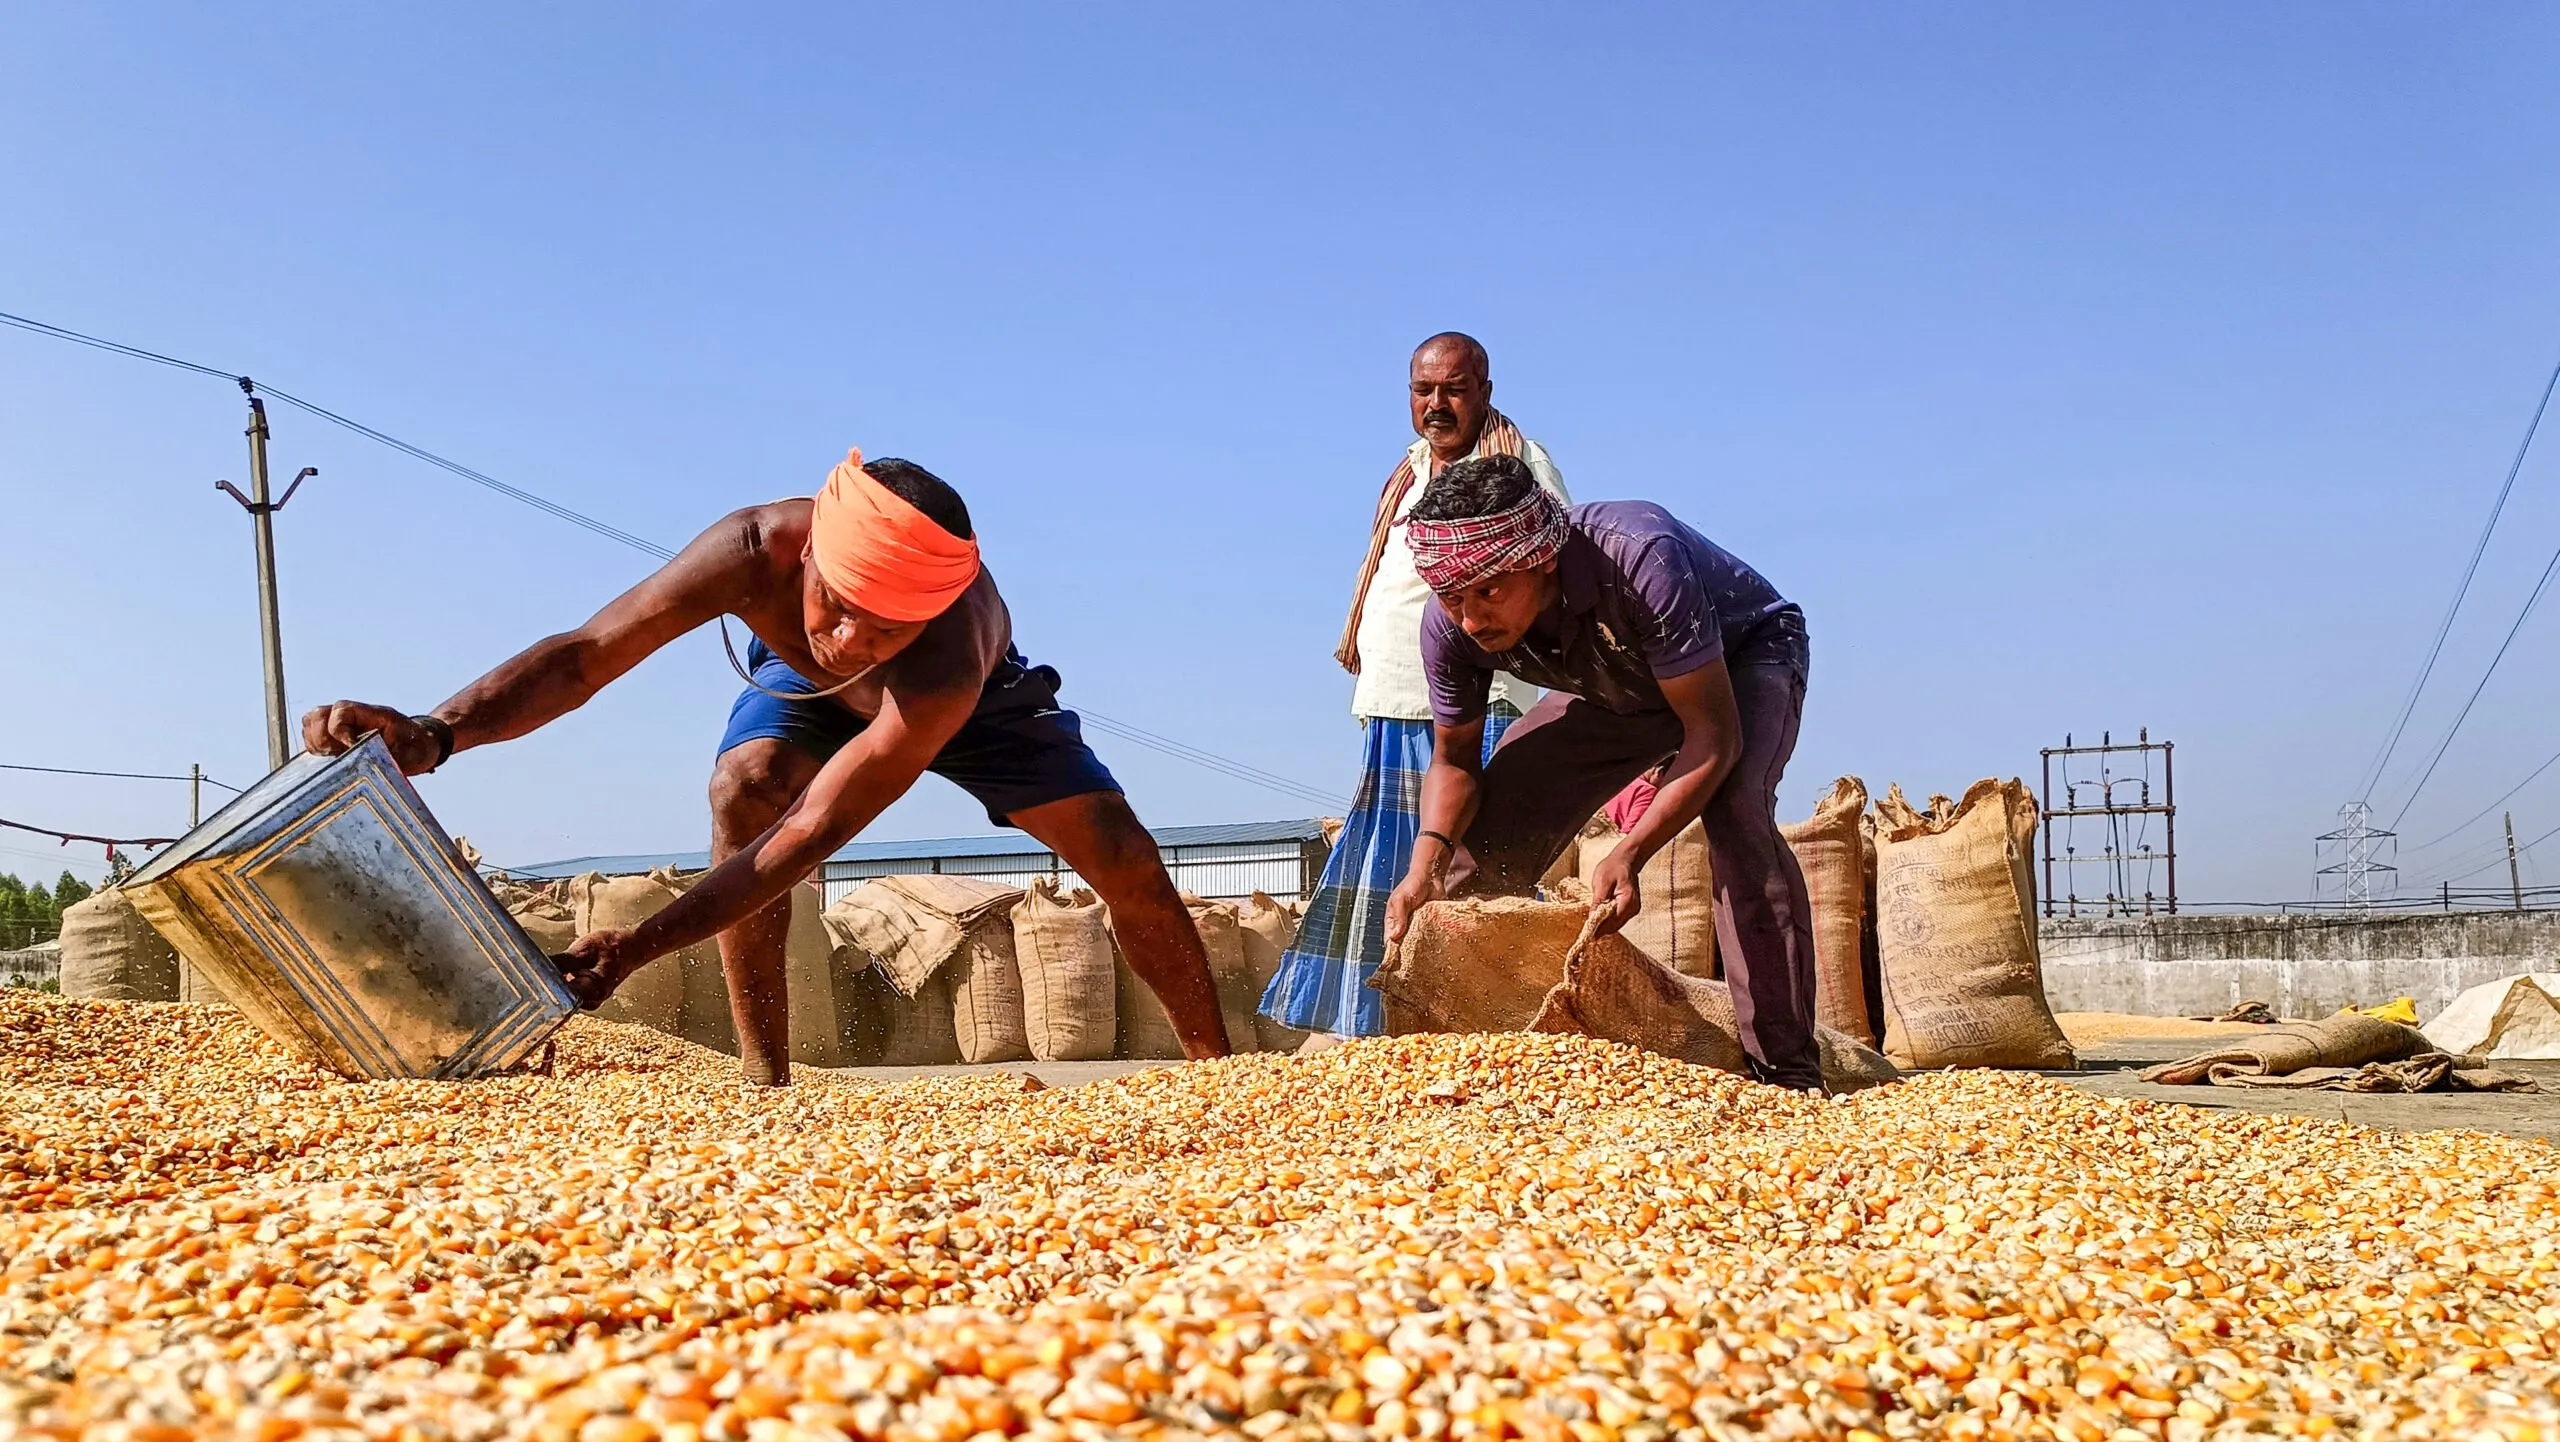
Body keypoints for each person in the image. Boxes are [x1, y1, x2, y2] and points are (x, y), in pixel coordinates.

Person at [301, 450, 1229, 1084]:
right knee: (743, 787)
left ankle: (1217, 1076)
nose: (850, 637)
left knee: (1122, 854)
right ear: (809, 555)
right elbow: (587, 655)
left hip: (970, 705)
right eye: (838, 603)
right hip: (798, 694)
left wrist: (633, 948)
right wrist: (435, 732)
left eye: (884, 625)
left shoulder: (949, 654)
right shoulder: (748, 551)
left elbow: (815, 832)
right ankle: (765, 1077)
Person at [1380, 455, 1823, 1091]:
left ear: (1541, 559)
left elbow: (1713, 737)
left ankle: (1787, 1074)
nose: (1472, 618)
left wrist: (1631, 849)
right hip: (1615, 685)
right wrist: (1424, 865)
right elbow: (1454, 763)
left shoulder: (1641, 558)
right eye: (1453, 597)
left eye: (1489, 591)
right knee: (1497, 816)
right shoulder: (1451, 629)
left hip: (1740, 656)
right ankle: (1460, 1050)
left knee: (1735, 813)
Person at [1260, 333, 1569, 1041]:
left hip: (1481, 690)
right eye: (1423, 391)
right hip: (1397, 691)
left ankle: (1497, 1015)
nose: (1437, 405)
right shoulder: (1407, 471)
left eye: (1453, 390)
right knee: (1387, 854)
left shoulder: (1518, 465)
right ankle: (1368, 1017)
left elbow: (1551, 566)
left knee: (1478, 852)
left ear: (1483, 392)